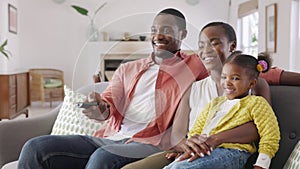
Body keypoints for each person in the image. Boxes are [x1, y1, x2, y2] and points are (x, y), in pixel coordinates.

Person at [17, 8, 209, 169]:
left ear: (182, 34)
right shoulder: (128, 68)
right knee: (35, 147)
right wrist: (99, 107)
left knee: (102, 158)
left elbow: (226, 71)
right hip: (111, 137)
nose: (157, 36)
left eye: (166, 30)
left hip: (152, 143)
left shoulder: (194, 66)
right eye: (154, 30)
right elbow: (107, 105)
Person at [122, 22, 271, 169]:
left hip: (227, 154)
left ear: (232, 46)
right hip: (192, 153)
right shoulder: (193, 88)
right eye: (201, 45)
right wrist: (187, 146)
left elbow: (261, 128)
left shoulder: (254, 84)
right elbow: (177, 136)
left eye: (214, 44)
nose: (206, 50)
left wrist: (214, 140)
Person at [164, 52, 280, 169]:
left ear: (252, 83)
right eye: (224, 77)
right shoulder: (215, 103)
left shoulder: (256, 103)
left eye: (235, 78)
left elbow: (270, 134)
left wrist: (261, 164)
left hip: (232, 152)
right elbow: (197, 130)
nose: (227, 83)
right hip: (207, 150)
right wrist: (188, 151)